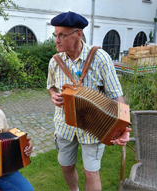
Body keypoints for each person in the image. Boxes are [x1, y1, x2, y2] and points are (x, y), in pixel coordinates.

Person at [47, 12, 132, 191]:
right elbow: (50, 86)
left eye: (62, 35)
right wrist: (53, 94)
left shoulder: (100, 58)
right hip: (64, 125)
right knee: (66, 166)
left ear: (78, 34)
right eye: (56, 35)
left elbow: (117, 95)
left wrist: (124, 125)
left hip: (95, 127)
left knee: (91, 172)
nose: (57, 40)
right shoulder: (54, 62)